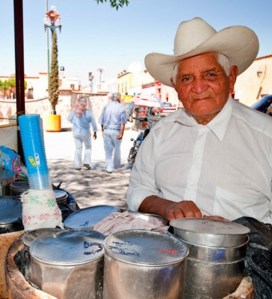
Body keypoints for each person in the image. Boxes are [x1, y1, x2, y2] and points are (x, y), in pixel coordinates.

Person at [127, 17, 272, 224]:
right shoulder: (161, 133)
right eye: (187, 79)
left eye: (210, 75)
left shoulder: (266, 136)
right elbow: (138, 190)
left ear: (231, 78)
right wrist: (167, 207)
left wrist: (239, 233)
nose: (198, 88)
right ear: (176, 87)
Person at [99, 92, 127, 173]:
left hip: (107, 130)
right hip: (116, 131)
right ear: (119, 99)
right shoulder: (121, 108)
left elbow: (101, 121)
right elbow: (123, 123)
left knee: (108, 150)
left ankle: (109, 167)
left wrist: (103, 131)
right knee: (117, 148)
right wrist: (121, 133)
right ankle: (116, 165)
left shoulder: (106, 107)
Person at [68, 96, 97, 170]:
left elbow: (69, 118)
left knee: (78, 148)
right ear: (86, 103)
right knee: (88, 147)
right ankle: (86, 162)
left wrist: (73, 120)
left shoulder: (74, 110)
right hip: (86, 133)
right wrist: (95, 131)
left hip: (76, 132)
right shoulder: (88, 112)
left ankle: (77, 165)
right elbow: (93, 123)